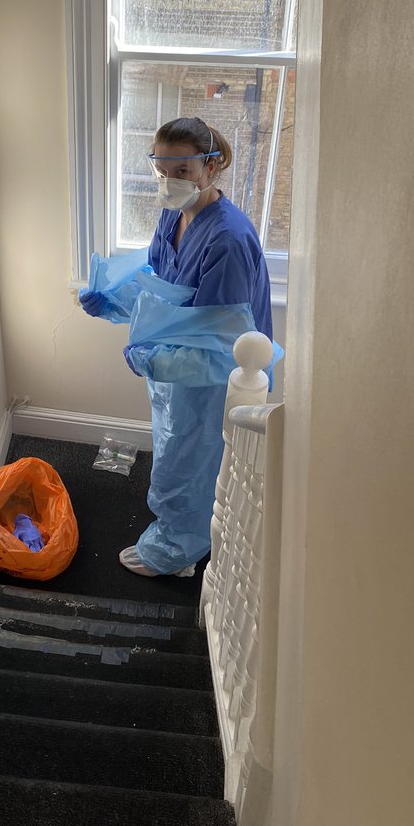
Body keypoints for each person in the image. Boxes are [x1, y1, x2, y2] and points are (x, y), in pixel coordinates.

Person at [80, 116, 273, 577]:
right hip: (175, 357)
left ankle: (177, 551)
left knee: (190, 458)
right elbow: (163, 282)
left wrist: (154, 359)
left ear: (210, 166)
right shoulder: (174, 212)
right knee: (174, 445)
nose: (169, 181)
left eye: (182, 170)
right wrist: (114, 299)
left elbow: (220, 347)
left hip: (209, 373)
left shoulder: (227, 240)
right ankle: (182, 531)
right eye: (161, 169)